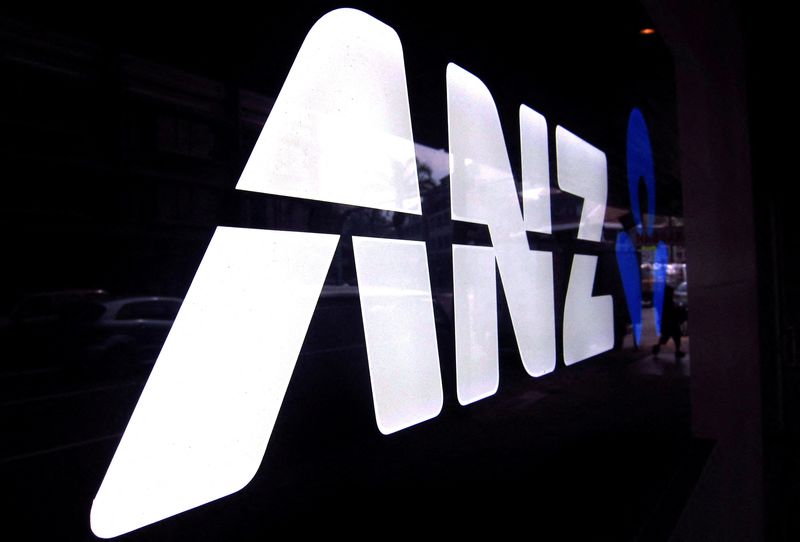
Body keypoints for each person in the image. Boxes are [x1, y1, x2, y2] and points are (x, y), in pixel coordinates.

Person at [652, 284, 687, 359]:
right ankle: (657, 348)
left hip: (669, 322)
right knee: (669, 337)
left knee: (673, 336)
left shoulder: (666, 301)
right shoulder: (666, 302)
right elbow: (669, 312)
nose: (672, 294)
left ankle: (676, 351)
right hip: (669, 322)